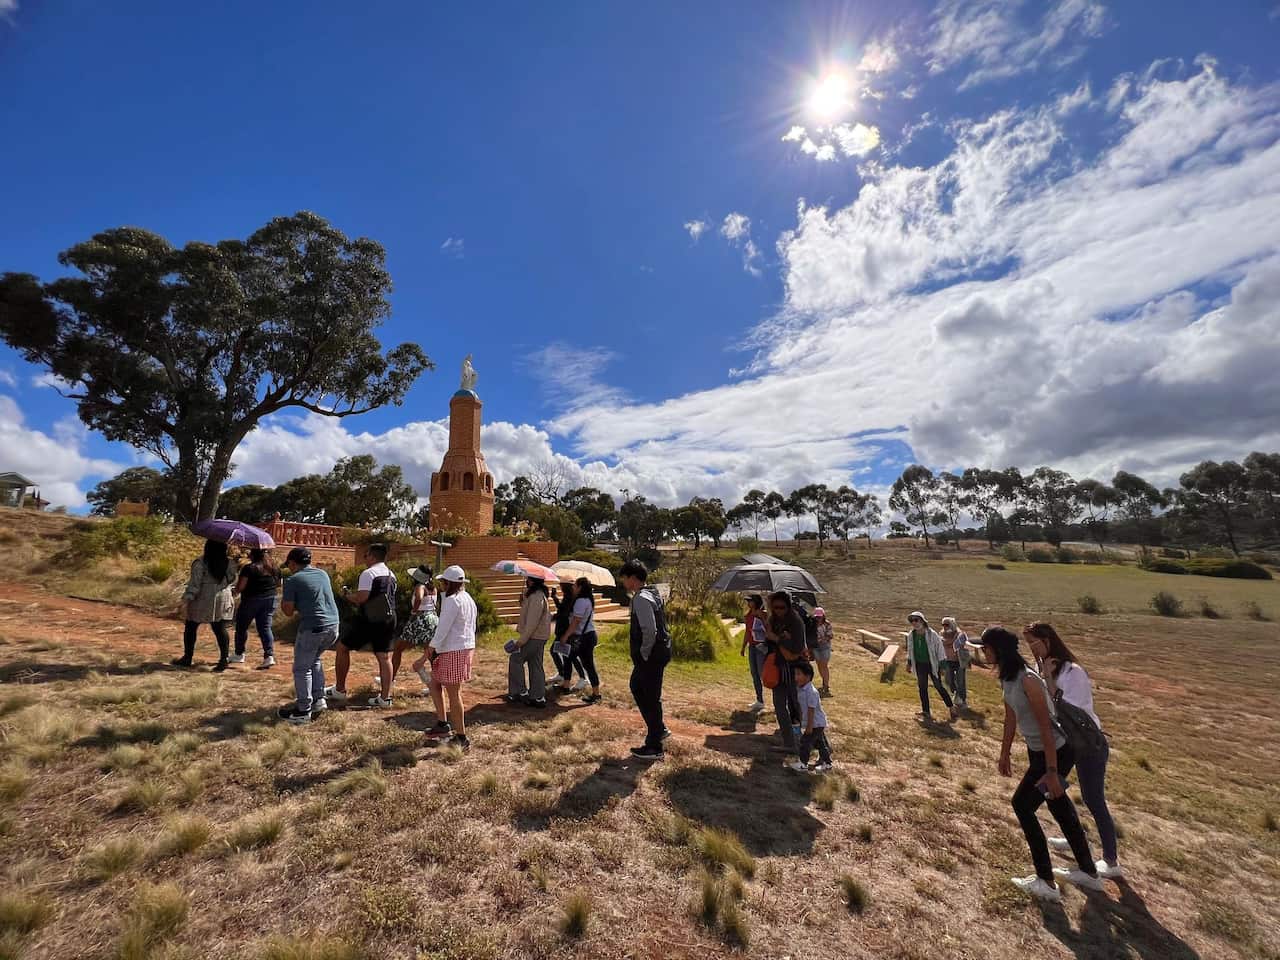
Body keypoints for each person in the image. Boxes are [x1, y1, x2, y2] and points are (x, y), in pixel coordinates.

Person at [980, 626, 1103, 902]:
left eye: (985, 647)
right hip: (1041, 753)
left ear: (997, 650)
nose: (982, 652)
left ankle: (1046, 881)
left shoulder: (1029, 681)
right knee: (1059, 806)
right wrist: (1004, 753)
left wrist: (1050, 771)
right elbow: (1010, 717)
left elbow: (1047, 729)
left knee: (1022, 805)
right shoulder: (1008, 678)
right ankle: (1089, 873)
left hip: (1057, 752)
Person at [1024, 622, 1122, 880]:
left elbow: (1072, 711)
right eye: (1028, 643)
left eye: (1034, 642)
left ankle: (1111, 861)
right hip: (1064, 744)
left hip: (1088, 745)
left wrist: (1048, 680)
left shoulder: (1073, 671)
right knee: (1054, 792)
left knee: (1093, 799)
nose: (1031, 648)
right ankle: (1078, 839)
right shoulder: (1041, 667)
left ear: (1048, 641)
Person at [326, 544, 398, 708]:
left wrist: (346, 595)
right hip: (389, 616)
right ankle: (385, 698)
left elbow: (361, 598)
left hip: (370, 618)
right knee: (384, 657)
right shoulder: (391, 574)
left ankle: (340, 689)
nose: (365, 558)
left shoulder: (368, 573)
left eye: (366, 555)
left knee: (342, 647)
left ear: (372, 556)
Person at [276, 547, 340, 724]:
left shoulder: (293, 580)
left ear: (293, 563)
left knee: (301, 669)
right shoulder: (322, 574)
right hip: (333, 625)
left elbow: (288, 611)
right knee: (315, 660)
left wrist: (286, 595)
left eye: (289, 565)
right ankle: (319, 700)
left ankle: (303, 710)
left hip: (313, 627)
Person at [418, 565, 477, 751]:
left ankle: (461, 737)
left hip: (454, 650)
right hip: (459, 648)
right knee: (435, 684)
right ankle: (443, 724)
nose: (441, 585)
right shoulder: (467, 598)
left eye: (443, 582)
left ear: (449, 583)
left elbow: (443, 629)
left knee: (454, 693)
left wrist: (428, 652)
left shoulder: (453, 601)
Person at [621, 560, 671, 760]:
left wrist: (643, 653)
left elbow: (650, 630)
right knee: (642, 689)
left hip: (651, 655)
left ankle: (654, 745)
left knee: (646, 693)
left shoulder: (641, 599)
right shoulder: (652, 593)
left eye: (624, 578)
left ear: (633, 578)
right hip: (659, 652)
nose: (623, 582)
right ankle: (658, 728)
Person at [173, 540, 237, 671]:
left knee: (191, 626)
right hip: (223, 597)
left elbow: (195, 584)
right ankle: (224, 660)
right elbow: (232, 579)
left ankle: (187, 658)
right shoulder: (230, 563)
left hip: (204, 597)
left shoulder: (200, 562)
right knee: (220, 628)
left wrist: (186, 600)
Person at [764, 591, 809, 753]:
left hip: (794, 670)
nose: (778, 610)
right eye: (775, 607)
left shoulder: (796, 622)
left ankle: (808, 740)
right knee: (779, 705)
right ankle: (789, 742)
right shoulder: (773, 620)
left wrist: (776, 638)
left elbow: (797, 647)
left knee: (797, 705)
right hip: (779, 669)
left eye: (782, 607)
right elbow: (768, 643)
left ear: (788, 606)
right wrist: (770, 633)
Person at [231, 547, 281, 669]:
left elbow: (241, 586)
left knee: (242, 627)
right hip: (270, 599)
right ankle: (269, 656)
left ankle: (239, 653)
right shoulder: (274, 567)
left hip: (251, 599)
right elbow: (279, 584)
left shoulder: (249, 568)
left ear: (252, 555)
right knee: (265, 628)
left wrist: (234, 591)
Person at [905, 611, 957, 722]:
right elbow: (910, 650)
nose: (914, 623)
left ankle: (951, 707)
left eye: (916, 620)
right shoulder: (911, 635)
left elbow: (940, 650)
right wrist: (909, 663)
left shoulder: (932, 634)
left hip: (932, 664)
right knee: (922, 688)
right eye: (912, 621)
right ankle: (926, 711)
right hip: (919, 665)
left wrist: (942, 666)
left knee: (938, 686)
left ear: (922, 621)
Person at [508, 577, 551, 707]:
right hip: (539, 636)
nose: (526, 581)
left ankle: (519, 692)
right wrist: (524, 601)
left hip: (534, 636)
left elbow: (532, 622)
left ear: (532, 581)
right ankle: (538, 697)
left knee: (516, 659)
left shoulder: (536, 597)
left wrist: (521, 641)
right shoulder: (536, 596)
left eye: (528, 579)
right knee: (535, 664)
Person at [394, 565, 439, 688]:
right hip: (433, 619)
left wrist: (414, 611)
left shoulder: (420, 586)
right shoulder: (433, 588)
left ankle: (390, 678)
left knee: (398, 648)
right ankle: (436, 682)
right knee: (430, 653)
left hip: (420, 620)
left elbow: (419, 598)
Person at [787, 661, 833, 773]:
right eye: (795, 674)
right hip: (815, 723)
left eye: (798, 674)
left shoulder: (811, 692)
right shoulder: (801, 689)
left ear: (807, 677)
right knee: (820, 743)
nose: (795, 677)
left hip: (816, 723)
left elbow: (811, 710)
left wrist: (809, 727)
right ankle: (827, 763)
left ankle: (803, 764)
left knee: (805, 742)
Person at [565, 577, 601, 704]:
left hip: (584, 637)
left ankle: (595, 693)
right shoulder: (588, 600)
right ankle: (594, 692)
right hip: (588, 636)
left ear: (580, 587)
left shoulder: (581, 601)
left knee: (586, 663)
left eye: (575, 585)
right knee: (583, 662)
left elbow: (576, 622)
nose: (573, 587)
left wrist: (565, 636)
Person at [549, 582, 583, 688]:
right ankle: (562, 674)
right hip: (562, 630)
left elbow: (564, 613)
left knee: (567, 654)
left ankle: (581, 676)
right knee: (564, 653)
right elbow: (561, 609)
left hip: (565, 630)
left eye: (562, 587)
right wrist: (554, 597)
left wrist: (554, 616)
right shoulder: (567, 598)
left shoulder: (570, 599)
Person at [739, 595, 767, 711]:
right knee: (754, 673)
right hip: (752, 646)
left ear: (755, 602)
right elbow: (747, 631)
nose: (748, 603)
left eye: (750, 601)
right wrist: (743, 646)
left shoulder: (763, 614)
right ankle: (759, 700)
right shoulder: (748, 615)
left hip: (761, 646)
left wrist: (763, 617)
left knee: (762, 673)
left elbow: (769, 628)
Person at [939, 616, 970, 708]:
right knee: (948, 680)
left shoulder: (959, 634)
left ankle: (963, 700)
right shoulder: (941, 633)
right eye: (943, 624)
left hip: (959, 661)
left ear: (952, 624)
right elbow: (942, 643)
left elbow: (960, 643)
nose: (945, 626)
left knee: (961, 681)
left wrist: (952, 642)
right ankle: (955, 693)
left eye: (947, 624)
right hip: (948, 660)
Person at [812, 607, 834, 697]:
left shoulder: (827, 624)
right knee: (819, 665)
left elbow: (830, 635)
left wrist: (822, 639)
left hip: (825, 647)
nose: (818, 618)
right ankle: (824, 681)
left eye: (820, 617)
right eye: (817, 617)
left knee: (824, 665)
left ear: (823, 616)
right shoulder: (812, 624)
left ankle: (826, 685)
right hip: (816, 647)